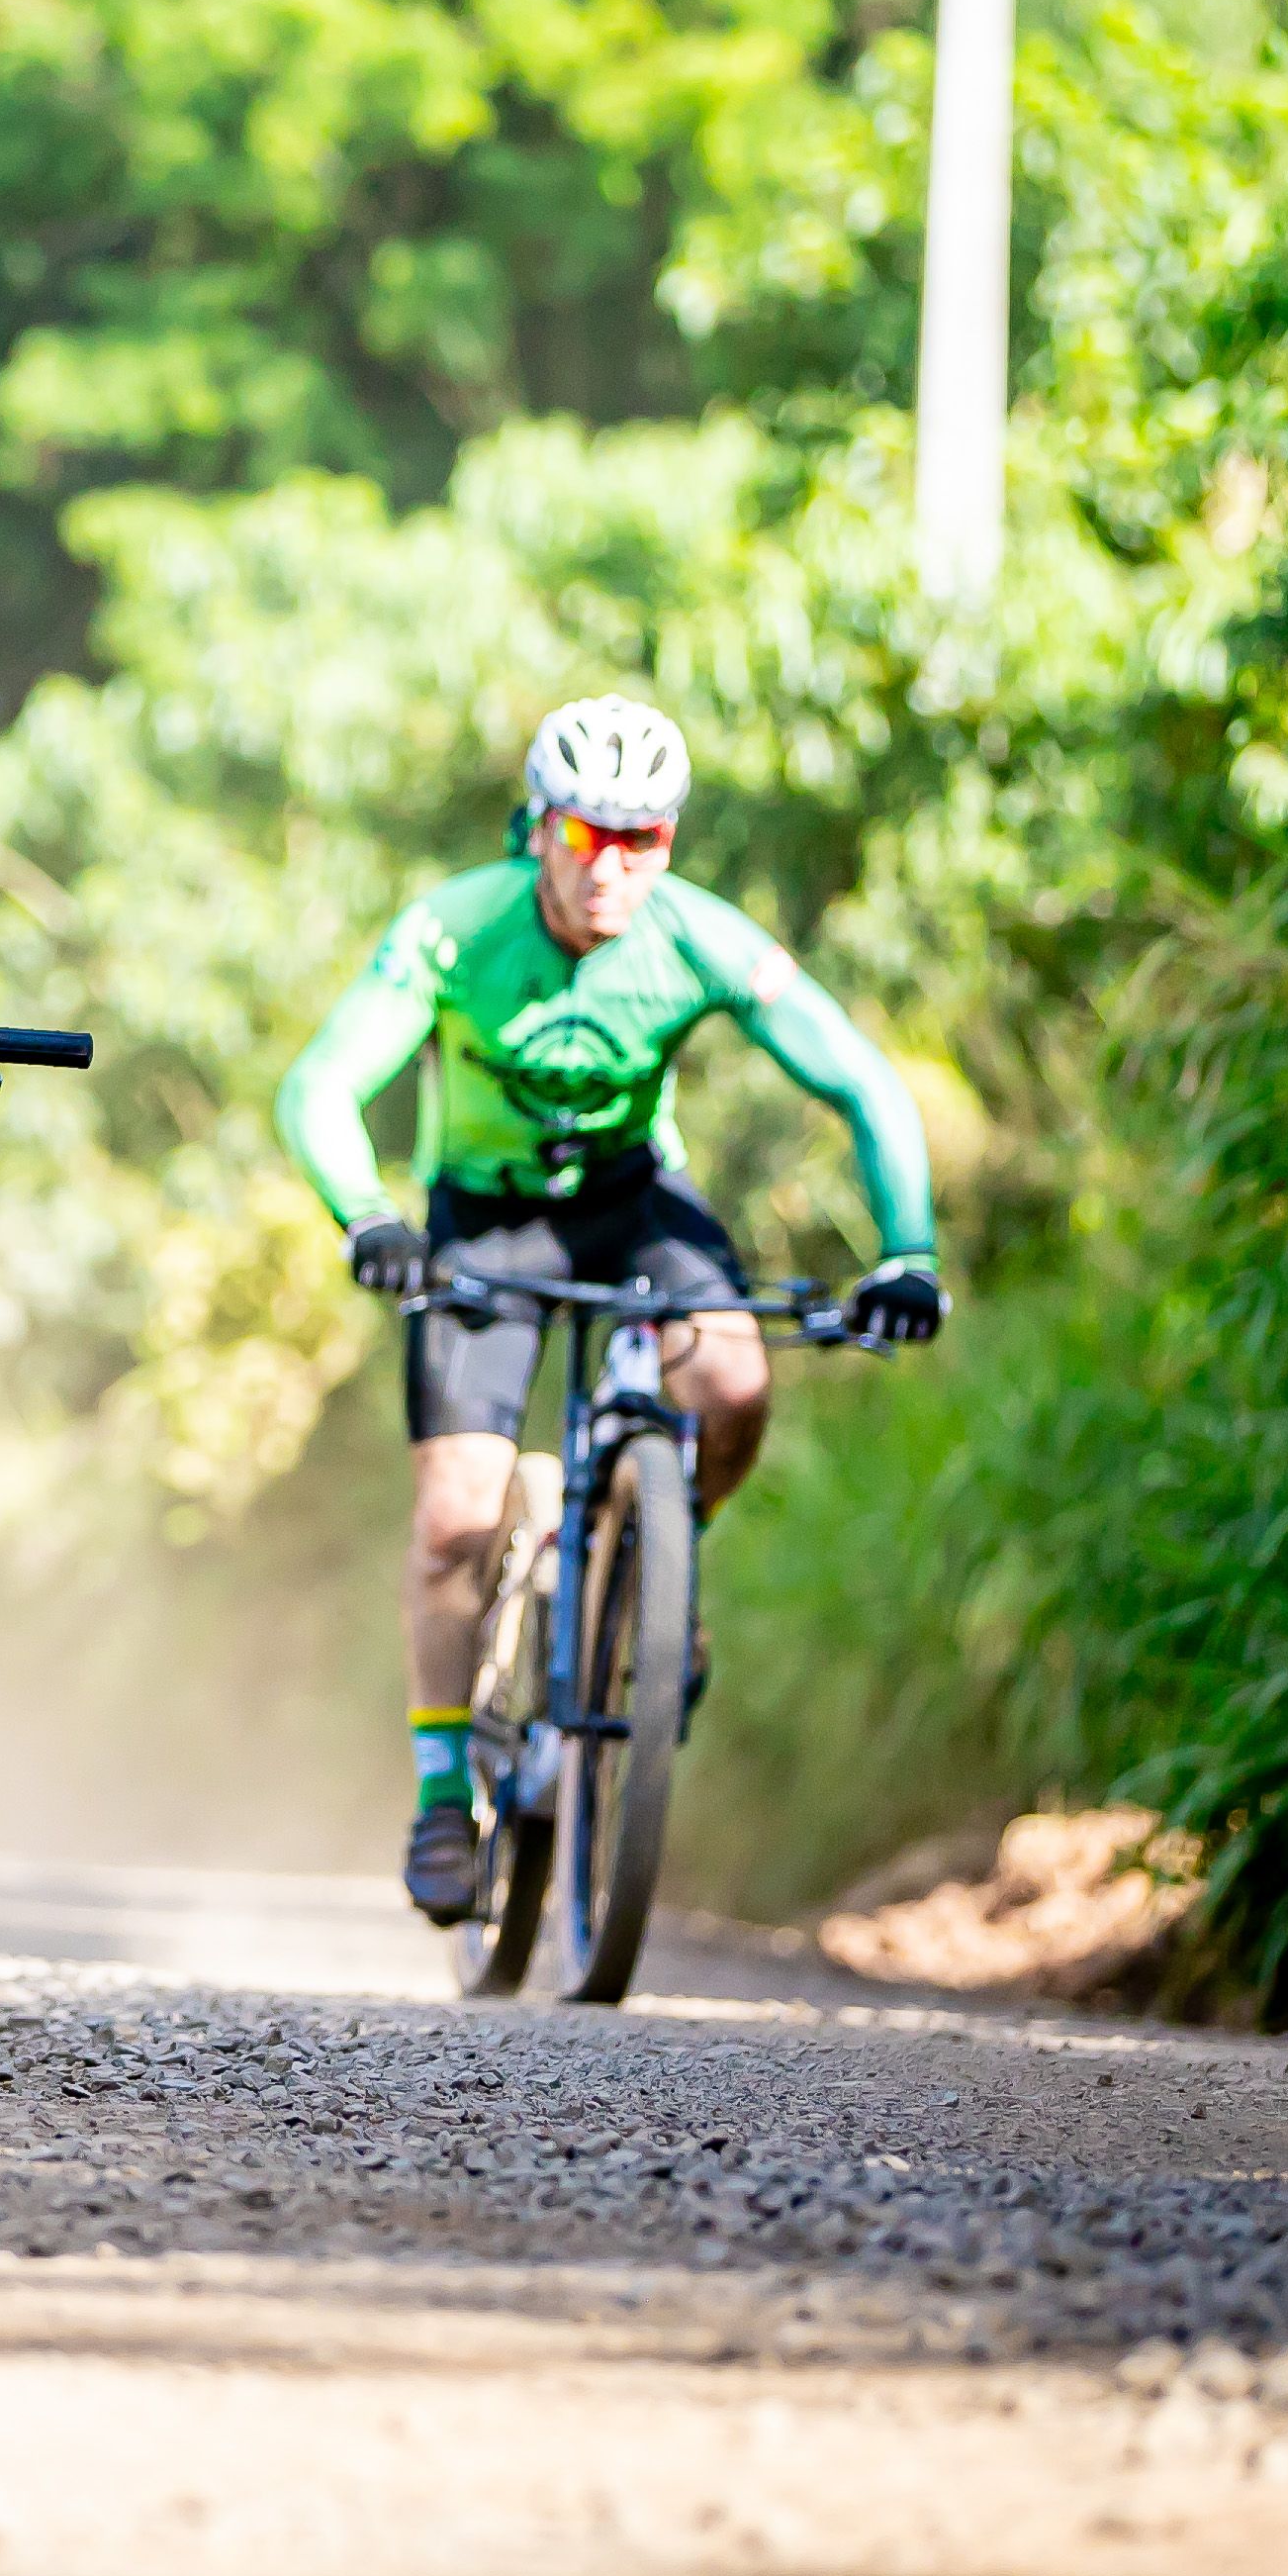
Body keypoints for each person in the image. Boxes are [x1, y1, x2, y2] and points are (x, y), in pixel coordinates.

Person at [274, 694, 948, 1925]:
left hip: (636, 1202)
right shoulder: (455, 931)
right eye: (588, 835)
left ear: (670, 843)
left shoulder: (695, 937)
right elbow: (321, 1083)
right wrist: (367, 1217)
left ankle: (659, 1572)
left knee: (735, 1384)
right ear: (539, 828)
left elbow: (861, 1078)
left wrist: (908, 1253)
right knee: (455, 1520)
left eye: (644, 840)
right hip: (485, 1216)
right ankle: (443, 1793)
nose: (612, 868)